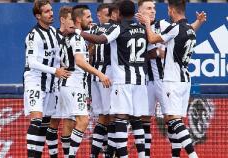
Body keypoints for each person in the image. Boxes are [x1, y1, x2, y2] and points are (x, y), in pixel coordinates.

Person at [67, 1, 150, 157]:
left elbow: (100, 41)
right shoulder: (143, 29)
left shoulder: (110, 29)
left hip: (113, 79)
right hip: (136, 80)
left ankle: (109, 154)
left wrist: (78, 32)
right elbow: (152, 49)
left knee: (114, 119)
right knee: (133, 119)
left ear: (117, 13)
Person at [136, 1, 206, 158]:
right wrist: (152, 53)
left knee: (172, 119)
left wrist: (157, 51)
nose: (153, 11)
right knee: (148, 118)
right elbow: (185, 31)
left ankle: (188, 154)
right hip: (149, 81)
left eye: (154, 8)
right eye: (149, 8)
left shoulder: (165, 24)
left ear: (171, 10)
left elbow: (177, 32)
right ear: (139, 11)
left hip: (167, 80)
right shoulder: (134, 28)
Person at [60, 4, 111, 158]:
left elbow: (78, 57)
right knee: (83, 121)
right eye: (88, 17)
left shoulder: (72, 36)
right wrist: (100, 74)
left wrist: (90, 49)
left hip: (67, 84)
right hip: (74, 84)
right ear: (78, 19)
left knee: (69, 122)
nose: (91, 20)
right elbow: (80, 62)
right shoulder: (77, 37)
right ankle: (71, 156)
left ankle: (67, 154)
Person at [23, 0, 70, 157]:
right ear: (38, 16)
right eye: (47, 11)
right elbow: (31, 61)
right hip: (35, 82)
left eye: (51, 10)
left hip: (51, 85)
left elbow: (58, 58)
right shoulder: (33, 36)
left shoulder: (53, 33)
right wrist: (55, 70)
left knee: (44, 125)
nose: (51, 14)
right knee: (36, 121)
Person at [90, 3, 119, 158]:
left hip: (94, 75)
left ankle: (95, 153)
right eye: (108, 14)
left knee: (102, 116)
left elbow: (89, 52)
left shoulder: (93, 30)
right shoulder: (115, 29)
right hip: (107, 75)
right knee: (112, 116)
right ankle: (110, 154)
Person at [45, 6, 75, 158]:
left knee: (70, 121)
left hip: (71, 85)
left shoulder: (76, 36)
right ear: (62, 19)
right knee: (53, 123)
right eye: (71, 19)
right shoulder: (52, 36)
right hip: (55, 86)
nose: (74, 23)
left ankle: (68, 155)